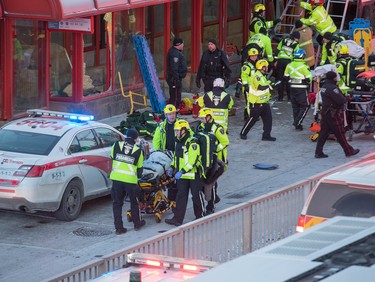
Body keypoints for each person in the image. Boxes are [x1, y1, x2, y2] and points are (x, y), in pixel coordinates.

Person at [165, 120, 205, 226]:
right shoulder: (178, 141)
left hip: (193, 174)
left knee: (196, 196)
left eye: (178, 131)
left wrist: (182, 171)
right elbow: (176, 157)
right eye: (176, 131)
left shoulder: (192, 142)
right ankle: (177, 219)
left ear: (184, 130)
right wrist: (172, 167)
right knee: (181, 196)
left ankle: (200, 216)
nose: (176, 133)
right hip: (182, 175)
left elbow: (193, 160)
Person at [314, 71, 360, 158]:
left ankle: (318, 152)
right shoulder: (332, 88)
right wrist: (346, 98)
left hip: (325, 112)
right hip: (332, 113)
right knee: (339, 132)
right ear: (334, 78)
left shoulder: (324, 86)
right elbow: (341, 100)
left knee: (323, 133)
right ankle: (348, 151)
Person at [109, 128, 145, 234]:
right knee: (134, 202)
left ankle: (119, 228)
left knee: (117, 204)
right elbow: (139, 170)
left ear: (125, 136)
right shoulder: (138, 151)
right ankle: (137, 224)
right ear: (135, 139)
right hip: (130, 181)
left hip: (116, 179)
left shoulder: (116, 145)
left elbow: (112, 157)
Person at [196, 108, 229, 214]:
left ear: (209, 117)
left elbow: (225, 142)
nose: (201, 120)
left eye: (202, 118)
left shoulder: (218, 128)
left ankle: (211, 206)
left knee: (212, 183)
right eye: (200, 118)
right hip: (204, 159)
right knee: (205, 182)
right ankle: (214, 198)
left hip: (216, 159)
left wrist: (213, 150)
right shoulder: (200, 127)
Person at [240, 59, 276, 141]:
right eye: (266, 67)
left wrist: (271, 84)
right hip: (256, 103)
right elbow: (260, 87)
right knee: (252, 119)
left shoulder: (263, 76)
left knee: (268, 120)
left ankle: (266, 135)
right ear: (262, 68)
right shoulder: (256, 76)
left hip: (264, 102)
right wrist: (269, 84)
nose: (267, 68)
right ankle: (243, 133)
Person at [152, 104, 179, 202]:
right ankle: (172, 200)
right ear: (166, 115)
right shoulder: (161, 127)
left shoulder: (181, 125)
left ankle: (176, 200)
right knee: (169, 180)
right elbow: (156, 142)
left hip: (178, 155)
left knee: (177, 180)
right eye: (169, 114)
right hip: (166, 156)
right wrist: (157, 155)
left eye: (173, 113)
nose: (172, 116)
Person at [284, 49, 312, 130]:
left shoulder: (289, 65)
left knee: (295, 106)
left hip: (292, 88)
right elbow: (309, 79)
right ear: (302, 56)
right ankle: (297, 122)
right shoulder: (304, 66)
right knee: (305, 106)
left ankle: (297, 125)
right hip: (302, 89)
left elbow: (285, 76)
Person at [275, 31, 300, 102]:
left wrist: (275, 60)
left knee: (280, 79)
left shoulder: (283, 41)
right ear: (295, 38)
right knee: (288, 79)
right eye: (298, 38)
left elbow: (277, 51)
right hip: (288, 63)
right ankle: (289, 98)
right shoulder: (296, 44)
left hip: (280, 61)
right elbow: (296, 56)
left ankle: (280, 98)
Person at [166, 38, 187, 108]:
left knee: (177, 95)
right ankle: (174, 110)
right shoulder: (174, 53)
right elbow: (174, 68)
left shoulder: (176, 52)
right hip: (174, 79)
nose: (183, 45)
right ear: (179, 44)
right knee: (175, 96)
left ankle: (176, 109)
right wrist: (176, 79)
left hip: (176, 78)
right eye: (182, 44)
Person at [241, 48, 259, 120]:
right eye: (252, 56)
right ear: (249, 56)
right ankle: (251, 116)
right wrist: (245, 86)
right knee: (249, 102)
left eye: (255, 55)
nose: (254, 57)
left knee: (253, 101)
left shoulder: (257, 64)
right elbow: (243, 76)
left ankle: (246, 114)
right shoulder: (246, 66)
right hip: (248, 86)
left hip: (255, 86)